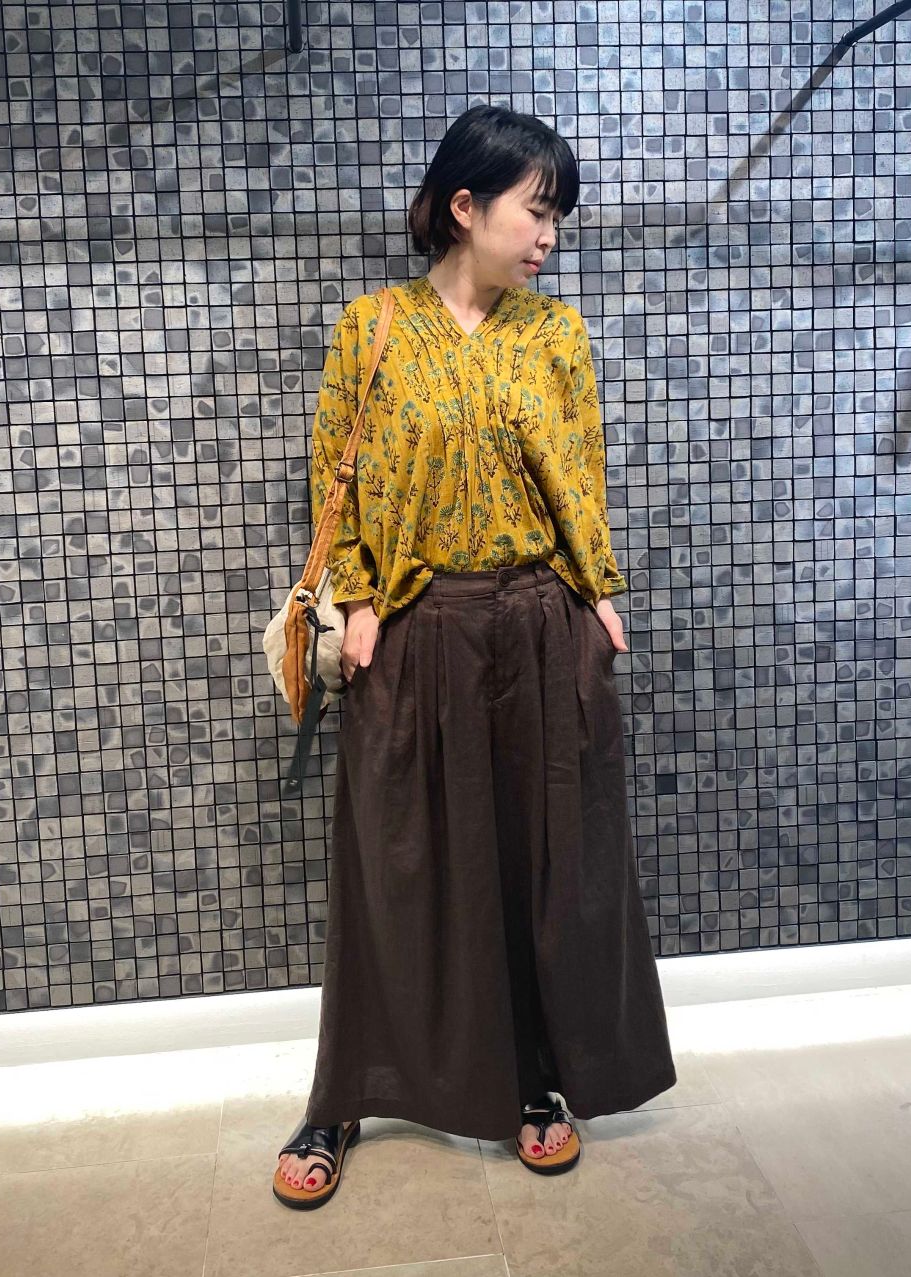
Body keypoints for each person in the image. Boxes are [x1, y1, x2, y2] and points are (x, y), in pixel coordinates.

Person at [273, 104, 677, 1209]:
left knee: (542, 863)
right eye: (535, 210)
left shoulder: (556, 335)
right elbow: (336, 470)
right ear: (465, 205)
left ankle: (534, 1078)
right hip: (416, 623)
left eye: (557, 217)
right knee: (392, 867)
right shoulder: (373, 328)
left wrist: (598, 594)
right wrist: (358, 596)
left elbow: (579, 473)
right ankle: (342, 1095)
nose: (549, 234)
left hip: (539, 620)